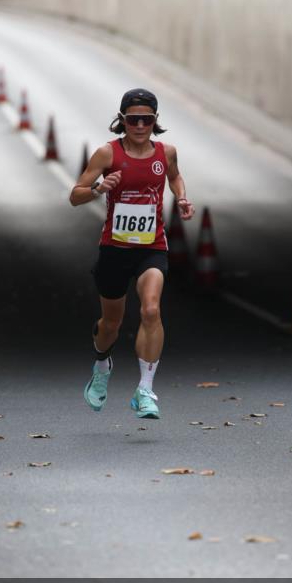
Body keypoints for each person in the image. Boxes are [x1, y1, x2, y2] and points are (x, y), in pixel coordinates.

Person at [70, 88, 195, 420]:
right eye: (133, 119)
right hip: (114, 248)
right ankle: (102, 365)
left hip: (152, 247)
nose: (140, 125)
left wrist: (181, 197)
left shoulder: (166, 152)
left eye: (147, 119)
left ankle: (145, 390)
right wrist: (99, 188)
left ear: (155, 122)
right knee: (111, 324)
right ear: (122, 120)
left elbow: (175, 176)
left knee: (151, 310)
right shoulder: (106, 154)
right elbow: (75, 195)